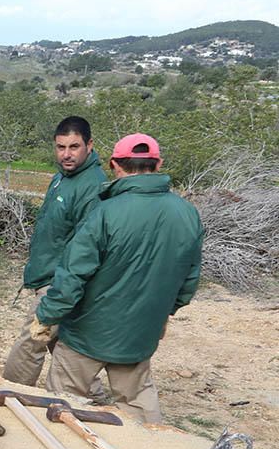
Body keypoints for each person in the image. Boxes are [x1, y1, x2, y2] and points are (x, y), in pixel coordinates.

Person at [32, 133, 204, 423]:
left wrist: (47, 316)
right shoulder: (188, 214)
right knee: (140, 406)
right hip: (140, 334)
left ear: (114, 165)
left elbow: (73, 275)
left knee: (63, 401)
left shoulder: (104, 213)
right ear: (159, 164)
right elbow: (188, 279)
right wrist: (165, 312)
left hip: (86, 334)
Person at [2, 116, 107, 387]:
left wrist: (63, 286)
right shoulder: (63, 177)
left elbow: (88, 245)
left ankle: (10, 392)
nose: (66, 154)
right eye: (61, 147)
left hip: (60, 282)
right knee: (64, 347)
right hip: (48, 275)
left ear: (90, 145)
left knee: (32, 338)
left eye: (74, 147)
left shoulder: (92, 186)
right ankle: (89, 396)